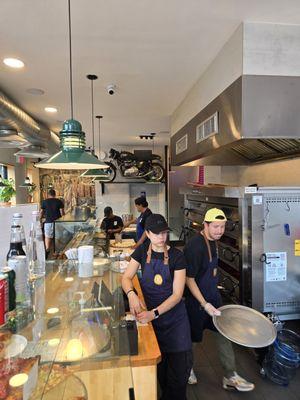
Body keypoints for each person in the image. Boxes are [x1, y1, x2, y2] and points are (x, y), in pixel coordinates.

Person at [122, 214, 192, 400]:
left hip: (175, 323)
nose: (162, 237)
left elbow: (177, 295)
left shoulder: (177, 256)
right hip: (153, 324)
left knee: (178, 378)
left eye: (164, 233)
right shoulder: (142, 250)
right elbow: (126, 277)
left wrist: (154, 313)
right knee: (161, 373)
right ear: (147, 233)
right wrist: (131, 295)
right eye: (157, 233)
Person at [184, 208, 255, 392]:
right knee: (191, 338)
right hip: (197, 303)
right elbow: (189, 279)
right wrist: (204, 303)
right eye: (215, 226)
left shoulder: (214, 242)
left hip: (213, 299)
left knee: (223, 334)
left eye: (222, 227)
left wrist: (213, 297)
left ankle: (230, 376)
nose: (219, 231)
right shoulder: (195, 246)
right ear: (205, 225)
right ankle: (186, 369)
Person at [40, 189, 64, 256]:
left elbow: (41, 212)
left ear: (48, 194)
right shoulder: (59, 201)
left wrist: (40, 220)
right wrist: (64, 220)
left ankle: (47, 250)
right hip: (58, 222)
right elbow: (62, 213)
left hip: (48, 222)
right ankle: (57, 252)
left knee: (47, 237)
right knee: (58, 237)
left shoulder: (44, 202)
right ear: (55, 194)